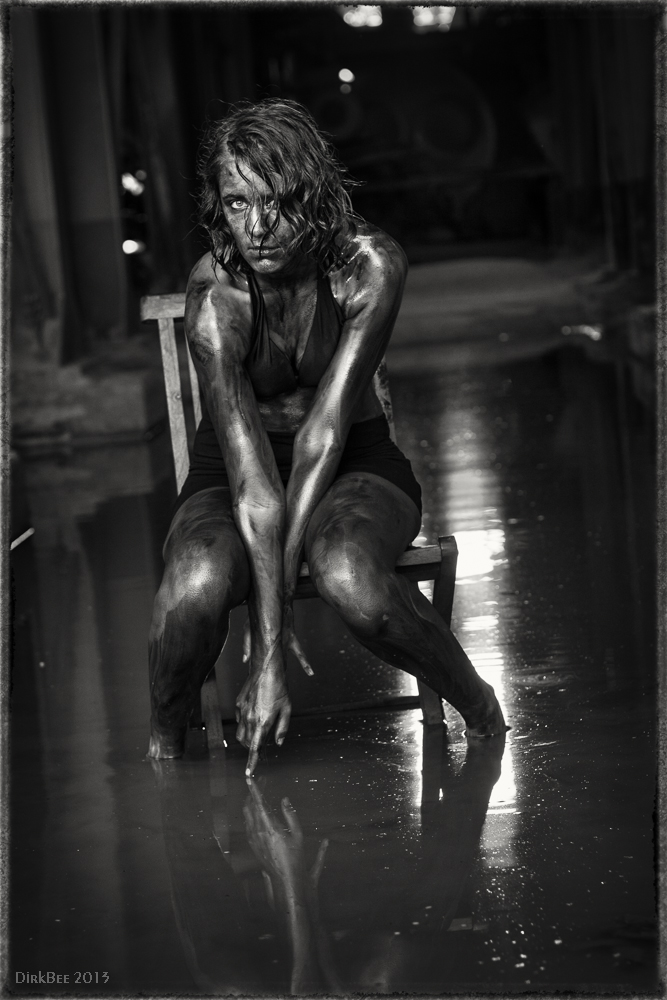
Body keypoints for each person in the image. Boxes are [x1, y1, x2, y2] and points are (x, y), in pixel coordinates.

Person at [147, 99, 505, 774]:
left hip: (354, 463)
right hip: (231, 473)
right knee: (195, 582)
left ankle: (481, 706)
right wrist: (268, 643)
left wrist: (272, 638)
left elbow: (326, 432)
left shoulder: (367, 265)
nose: (257, 228)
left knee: (349, 576)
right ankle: (165, 745)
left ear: (312, 195)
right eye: (237, 204)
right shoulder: (216, 296)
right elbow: (253, 486)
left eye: (277, 203)